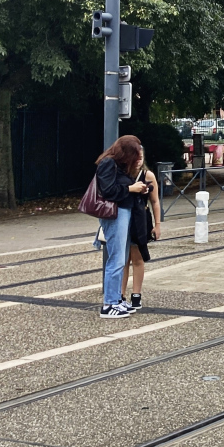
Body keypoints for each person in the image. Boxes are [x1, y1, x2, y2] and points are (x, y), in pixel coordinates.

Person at [94, 135, 152, 318]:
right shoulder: (108, 163)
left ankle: (117, 300)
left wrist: (140, 188)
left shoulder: (120, 165)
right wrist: (130, 189)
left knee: (121, 256)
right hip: (114, 214)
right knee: (117, 259)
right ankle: (109, 303)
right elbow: (108, 191)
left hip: (124, 211)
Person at [121, 149, 161, 312]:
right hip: (124, 219)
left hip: (140, 219)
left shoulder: (148, 175)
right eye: (135, 157)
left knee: (137, 258)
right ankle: (120, 295)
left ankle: (136, 295)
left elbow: (155, 201)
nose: (138, 160)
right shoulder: (122, 174)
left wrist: (157, 224)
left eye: (141, 157)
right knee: (122, 260)